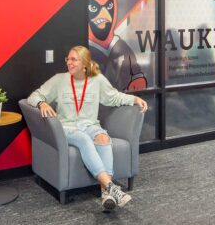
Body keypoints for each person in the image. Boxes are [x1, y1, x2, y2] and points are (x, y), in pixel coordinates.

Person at [27, 45, 148, 211]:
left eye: (73, 59)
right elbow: (34, 96)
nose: (69, 62)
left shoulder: (97, 80)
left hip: (90, 125)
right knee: (83, 139)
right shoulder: (59, 80)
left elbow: (113, 97)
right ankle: (111, 186)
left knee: (104, 138)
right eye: (67, 59)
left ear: (84, 63)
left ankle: (107, 194)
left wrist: (133, 99)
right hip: (66, 128)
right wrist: (41, 103)